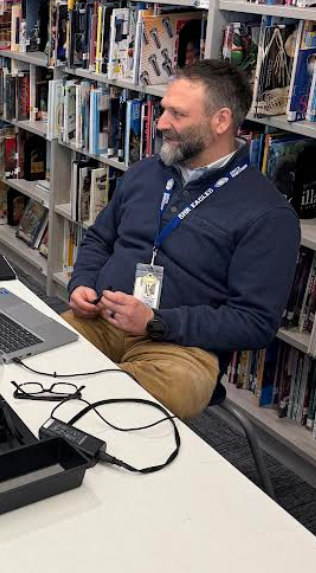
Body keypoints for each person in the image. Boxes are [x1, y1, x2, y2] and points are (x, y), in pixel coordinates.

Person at [65, 60, 301, 419]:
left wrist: (156, 321)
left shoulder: (268, 215)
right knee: (31, 354)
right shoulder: (146, 172)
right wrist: (81, 284)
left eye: (177, 114)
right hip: (102, 318)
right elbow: (99, 240)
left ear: (220, 121)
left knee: (120, 406)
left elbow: (255, 322)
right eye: (163, 110)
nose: (160, 123)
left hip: (181, 349)